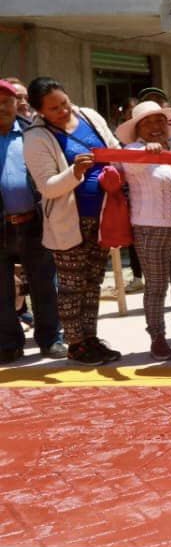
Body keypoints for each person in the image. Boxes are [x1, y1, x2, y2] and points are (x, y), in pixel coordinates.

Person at [23, 77, 122, 366]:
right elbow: (48, 187)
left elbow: (114, 149)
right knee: (71, 285)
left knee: (93, 283)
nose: (63, 111)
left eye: (64, 103)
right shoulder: (36, 138)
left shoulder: (89, 116)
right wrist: (75, 173)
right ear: (40, 112)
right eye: (54, 109)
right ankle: (76, 344)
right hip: (69, 223)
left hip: (102, 216)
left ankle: (91, 338)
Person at [115, 98, 171, 361]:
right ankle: (157, 337)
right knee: (156, 287)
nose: (156, 126)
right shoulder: (132, 150)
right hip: (149, 229)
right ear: (138, 128)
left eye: (160, 121)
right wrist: (147, 152)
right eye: (148, 122)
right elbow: (131, 165)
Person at [0, 79, 62, 362]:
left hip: (34, 221)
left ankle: (50, 338)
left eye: (6, 100)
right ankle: (8, 342)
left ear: (17, 104)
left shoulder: (33, 134)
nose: (2, 106)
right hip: (1, 226)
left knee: (45, 282)